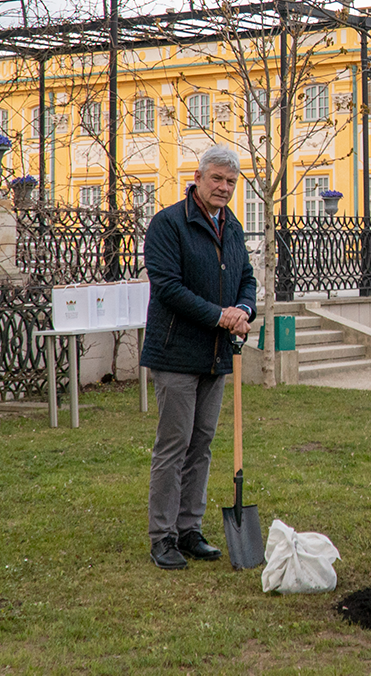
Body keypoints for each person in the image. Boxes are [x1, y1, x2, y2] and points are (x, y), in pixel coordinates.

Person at [141, 145, 256, 570]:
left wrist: (244, 309)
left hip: (216, 355)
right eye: (217, 179)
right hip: (176, 352)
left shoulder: (233, 226)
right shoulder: (169, 223)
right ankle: (163, 536)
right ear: (198, 177)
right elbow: (168, 287)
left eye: (230, 182)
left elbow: (247, 277)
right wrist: (220, 316)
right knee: (174, 445)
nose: (224, 188)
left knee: (202, 443)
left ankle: (190, 529)